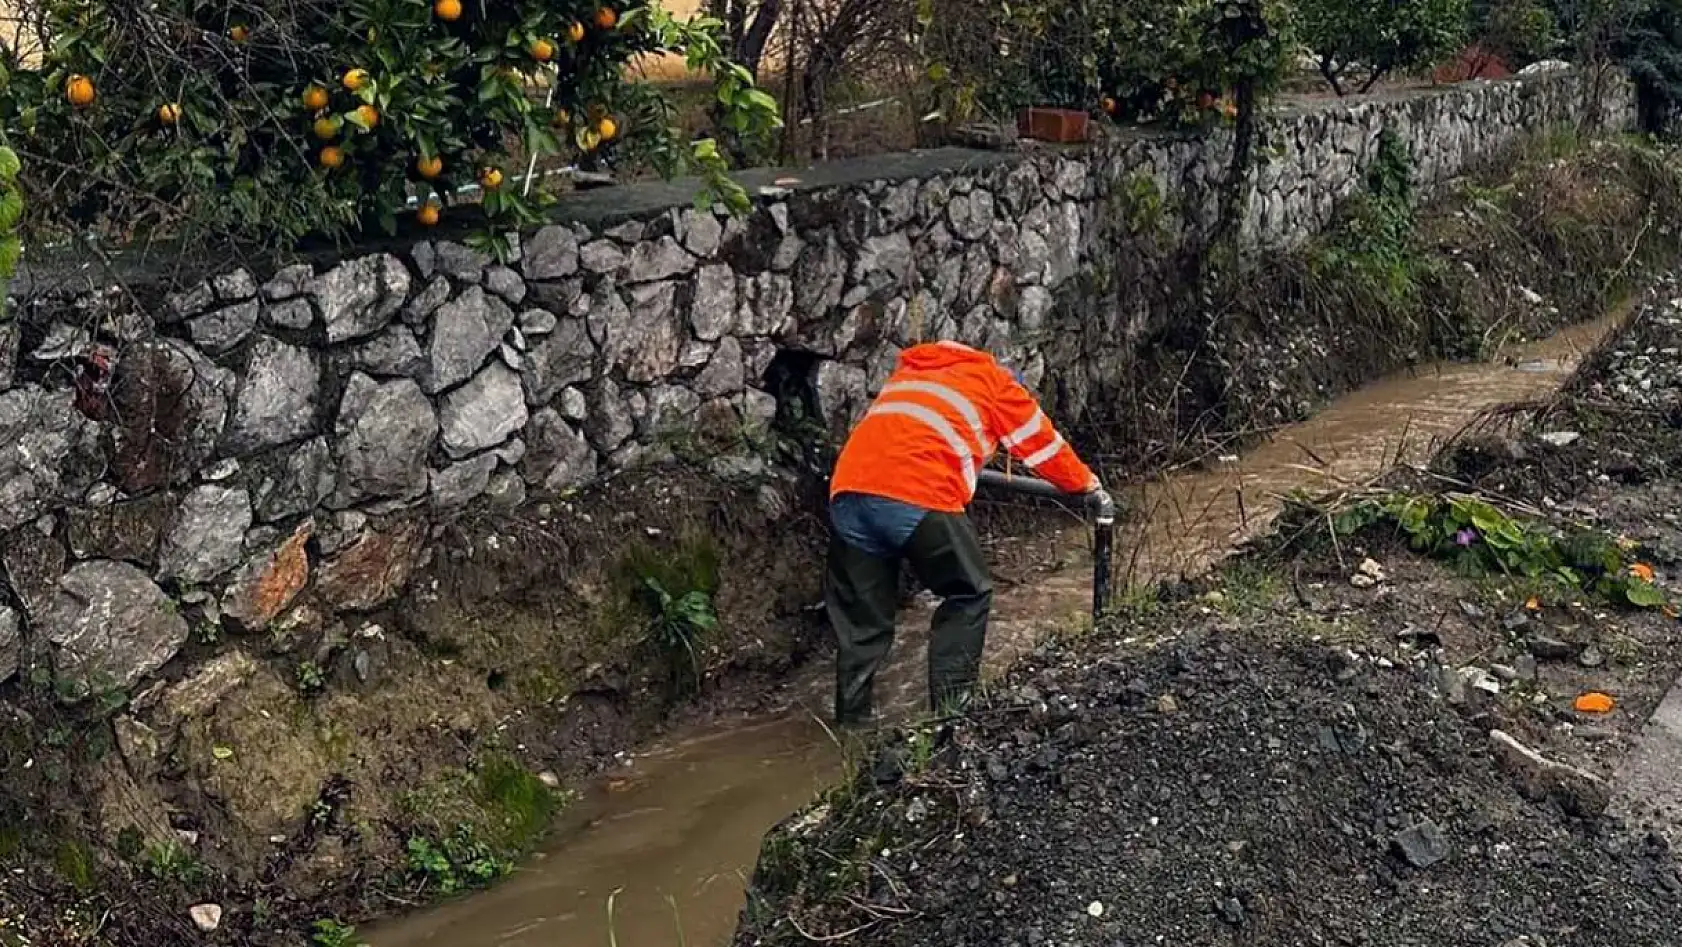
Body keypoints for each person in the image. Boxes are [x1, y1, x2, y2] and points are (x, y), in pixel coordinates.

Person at [825, 340, 1111, 726]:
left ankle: (850, 729)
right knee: (968, 592)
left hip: (848, 493)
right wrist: (1087, 484)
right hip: (918, 491)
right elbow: (1043, 448)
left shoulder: (911, 374)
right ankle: (950, 717)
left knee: (864, 623)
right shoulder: (994, 382)